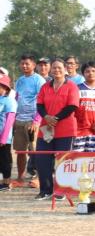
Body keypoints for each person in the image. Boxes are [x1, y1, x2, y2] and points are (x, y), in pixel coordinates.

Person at [34, 58, 79, 200]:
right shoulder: (45, 86)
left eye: (59, 67)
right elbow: (39, 105)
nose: (56, 70)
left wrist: (55, 118)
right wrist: (46, 117)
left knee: (63, 161)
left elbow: (72, 106)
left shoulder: (72, 86)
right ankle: (45, 190)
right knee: (42, 160)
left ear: (65, 69)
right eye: (54, 67)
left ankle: (61, 190)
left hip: (66, 130)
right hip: (46, 129)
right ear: (50, 70)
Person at [13, 55, 45, 185]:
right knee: (20, 151)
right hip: (19, 120)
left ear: (33, 65)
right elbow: (16, 98)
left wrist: (36, 121)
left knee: (35, 150)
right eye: (22, 63)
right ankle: (20, 177)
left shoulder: (39, 80)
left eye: (27, 63)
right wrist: (14, 117)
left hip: (33, 121)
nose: (24, 66)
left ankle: (39, 177)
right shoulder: (19, 80)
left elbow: (42, 101)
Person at [0, 74, 17, 190]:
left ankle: (6, 183)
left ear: (5, 87)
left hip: (4, 137)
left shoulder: (9, 101)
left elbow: (10, 120)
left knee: (4, 160)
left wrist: (3, 138)